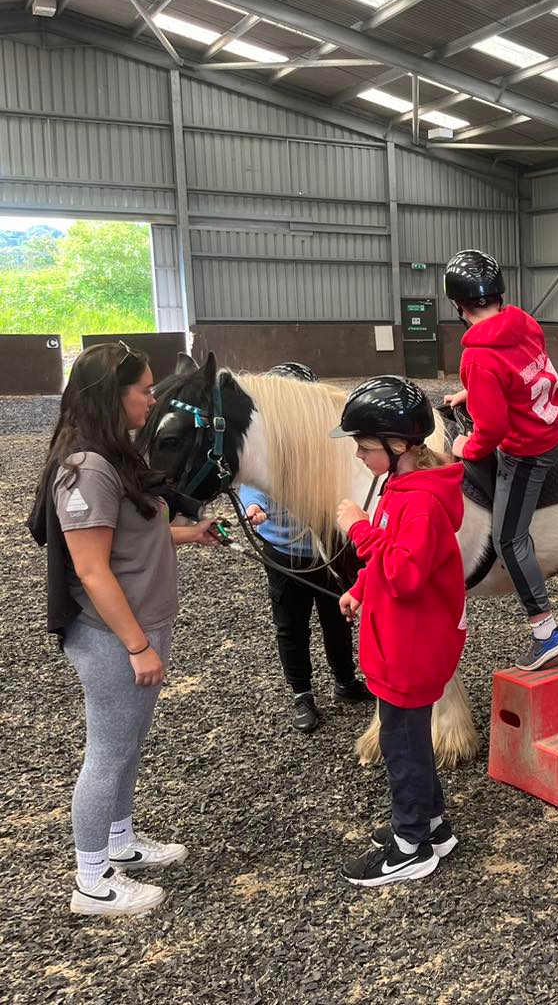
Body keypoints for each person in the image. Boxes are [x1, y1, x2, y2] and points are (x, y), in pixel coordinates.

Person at [28, 342, 219, 916]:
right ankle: (91, 880)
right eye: (143, 389)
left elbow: (136, 537)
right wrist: (135, 645)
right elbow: (90, 567)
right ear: (115, 397)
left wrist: (194, 532)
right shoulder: (85, 470)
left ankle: (120, 841)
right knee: (108, 751)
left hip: (142, 625)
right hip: (113, 634)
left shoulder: (117, 458)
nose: (151, 397)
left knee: (128, 743)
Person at [330, 376, 466, 888]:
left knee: (403, 743)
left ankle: (411, 845)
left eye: (365, 448)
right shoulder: (402, 488)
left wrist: (358, 529)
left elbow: (407, 574)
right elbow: (392, 557)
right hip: (400, 638)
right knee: (406, 738)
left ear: (399, 446)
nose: (360, 457)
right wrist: (361, 587)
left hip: (410, 645)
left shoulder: (421, 502)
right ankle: (432, 824)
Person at [443, 249, 558, 671]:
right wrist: (472, 394)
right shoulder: (525, 323)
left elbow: (493, 431)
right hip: (554, 424)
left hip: (527, 451)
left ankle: (546, 630)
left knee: (508, 538)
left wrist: (467, 449)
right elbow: (526, 373)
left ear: (459, 306)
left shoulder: (476, 356)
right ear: (499, 295)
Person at [239, 363, 369, 733]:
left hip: (325, 545)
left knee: (337, 616)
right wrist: (254, 505)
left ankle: (345, 680)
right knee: (290, 625)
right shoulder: (268, 447)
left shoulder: (323, 447)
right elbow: (250, 478)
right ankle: (302, 694)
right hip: (282, 548)